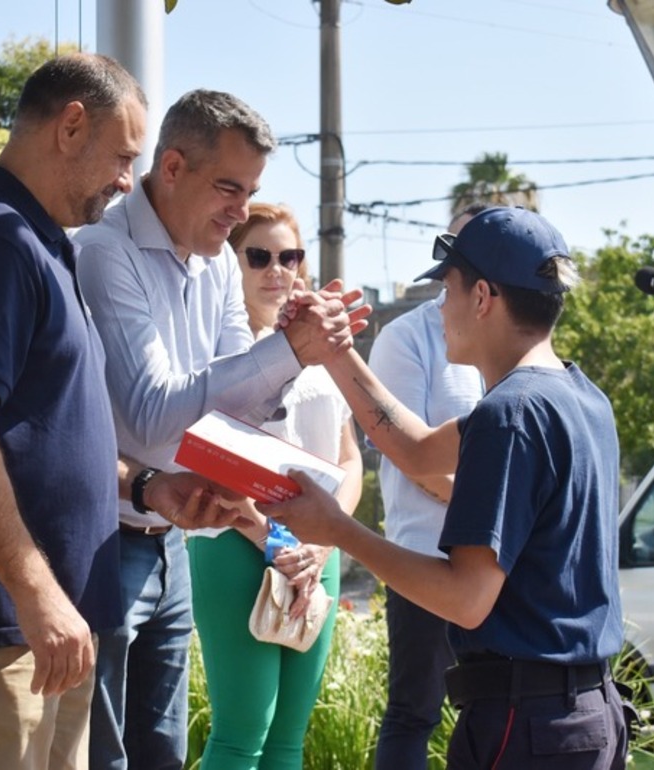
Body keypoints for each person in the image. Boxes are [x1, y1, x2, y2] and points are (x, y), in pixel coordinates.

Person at [0, 53, 243, 770]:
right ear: (71, 125)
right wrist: (36, 594)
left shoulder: (37, 242)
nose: (125, 180)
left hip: (37, 630)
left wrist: (146, 487)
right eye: (122, 157)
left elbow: (40, 437)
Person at [264, 207, 629, 769]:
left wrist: (337, 529)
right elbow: (412, 448)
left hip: (527, 727)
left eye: (448, 290)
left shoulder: (511, 414)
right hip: (586, 716)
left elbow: (465, 599)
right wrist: (335, 350)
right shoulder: (579, 396)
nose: (441, 310)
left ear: (482, 297)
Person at [74, 89, 366, 770]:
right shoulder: (102, 251)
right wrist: (292, 349)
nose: (239, 212)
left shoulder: (211, 264)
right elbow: (152, 411)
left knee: (166, 755)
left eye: (252, 192)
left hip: (172, 536)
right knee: (108, 757)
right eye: (229, 189)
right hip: (103, 538)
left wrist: (310, 347)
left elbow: (237, 413)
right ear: (171, 167)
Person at [187, 202, 363, 769]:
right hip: (237, 547)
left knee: (289, 737)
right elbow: (213, 466)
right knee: (242, 734)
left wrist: (325, 542)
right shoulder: (222, 349)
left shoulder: (328, 350)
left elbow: (349, 458)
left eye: (290, 256)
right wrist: (281, 542)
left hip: (319, 553)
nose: (276, 269)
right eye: (258, 255)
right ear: (231, 262)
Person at [370, 204, 486, 770]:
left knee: (491, 711)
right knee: (416, 711)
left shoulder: (507, 343)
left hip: (497, 561)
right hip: (424, 558)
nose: (448, 265)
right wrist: (490, 511)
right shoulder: (405, 337)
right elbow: (409, 455)